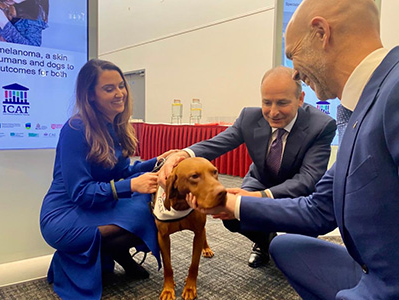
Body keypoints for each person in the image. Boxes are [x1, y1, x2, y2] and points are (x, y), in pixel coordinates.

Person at [186, 0, 399, 298]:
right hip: (364, 265)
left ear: (321, 32)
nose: (296, 75)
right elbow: (319, 209)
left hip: (386, 283)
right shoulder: (360, 109)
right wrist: (232, 204)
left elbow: (307, 185)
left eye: (293, 56)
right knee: (284, 246)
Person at [160, 66, 337, 268]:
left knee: (303, 241)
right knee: (230, 215)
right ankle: (264, 242)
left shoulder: (321, 126)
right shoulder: (249, 118)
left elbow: (307, 179)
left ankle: (290, 244)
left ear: (300, 98)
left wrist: (261, 198)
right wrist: (184, 153)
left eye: (282, 103)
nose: (273, 112)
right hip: (260, 180)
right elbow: (217, 144)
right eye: (266, 102)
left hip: (297, 191)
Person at [40, 59, 176, 300]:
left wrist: (157, 161)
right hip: (65, 213)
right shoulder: (74, 129)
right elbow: (80, 192)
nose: (119, 93)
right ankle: (86, 257)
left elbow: (122, 173)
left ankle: (114, 255)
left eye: (121, 86)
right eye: (109, 88)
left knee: (151, 208)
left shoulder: (116, 125)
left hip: (96, 206)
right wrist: (132, 185)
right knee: (143, 213)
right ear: (90, 95)